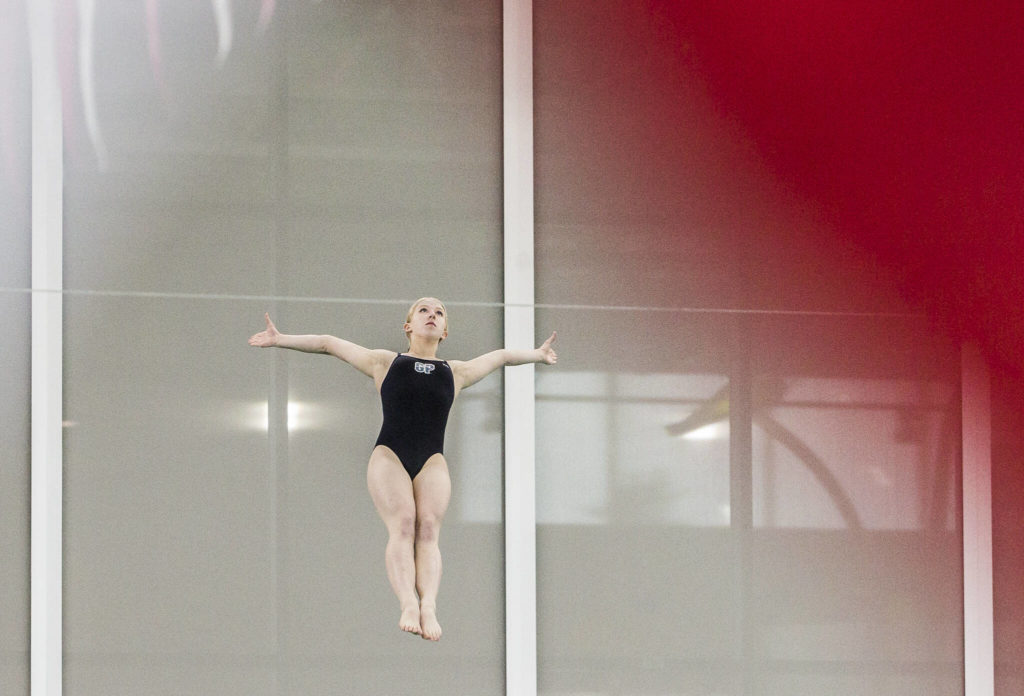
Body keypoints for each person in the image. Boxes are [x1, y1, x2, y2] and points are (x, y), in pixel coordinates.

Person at [248, 298, 557, 640]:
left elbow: (501, 357)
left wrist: (537, 355)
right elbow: (328, 343)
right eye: (423, 310)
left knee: (428, 530)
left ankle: (429, 606)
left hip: (431, 460)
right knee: (405, 523)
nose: (432, 315)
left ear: (445, 331)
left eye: (439, 313)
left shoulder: (455, 372)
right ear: (408, 326)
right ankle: (408, 601)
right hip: (389, 455)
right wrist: (280, 339)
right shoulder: (385, 362)